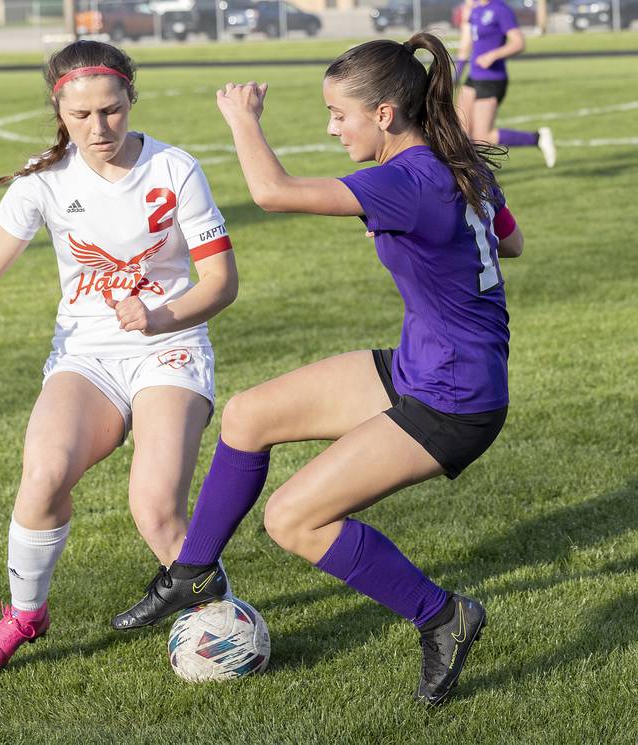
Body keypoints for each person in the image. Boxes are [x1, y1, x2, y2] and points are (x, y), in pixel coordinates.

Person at [111, 33, 524, 706]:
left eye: (340, 114)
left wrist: (243, 118)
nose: (332, 127)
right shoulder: (454, 164)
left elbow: (272, 192)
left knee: (293, 519)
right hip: (429, 363)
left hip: (456, 397)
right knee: (249, 414)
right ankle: (192, 573)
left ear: (385, 114)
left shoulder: (409, 178)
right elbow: (510, 238)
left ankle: (443, 616)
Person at [0, 40, 238, 673]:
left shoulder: (175, 170)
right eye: (81, 117)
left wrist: (160, 316)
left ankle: (223, 626)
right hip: (86, 357)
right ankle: (26, 613)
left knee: (155, 506)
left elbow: (221, 285)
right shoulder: (43, 179)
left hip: (170, 348)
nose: (98, 128)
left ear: (132, 97)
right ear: (59, 109)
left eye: (111, 111)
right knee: (44, 472)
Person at [456, 0, 556, 168]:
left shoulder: (500, 9)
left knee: (482, 137)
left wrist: (493, 55)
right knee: (459, 131)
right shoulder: (474, 10)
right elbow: (465, 45)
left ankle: (537, 138)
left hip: (492, 79)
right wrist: (457, 73)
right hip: (473, 77)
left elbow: (519, 42)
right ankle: (468, 178)